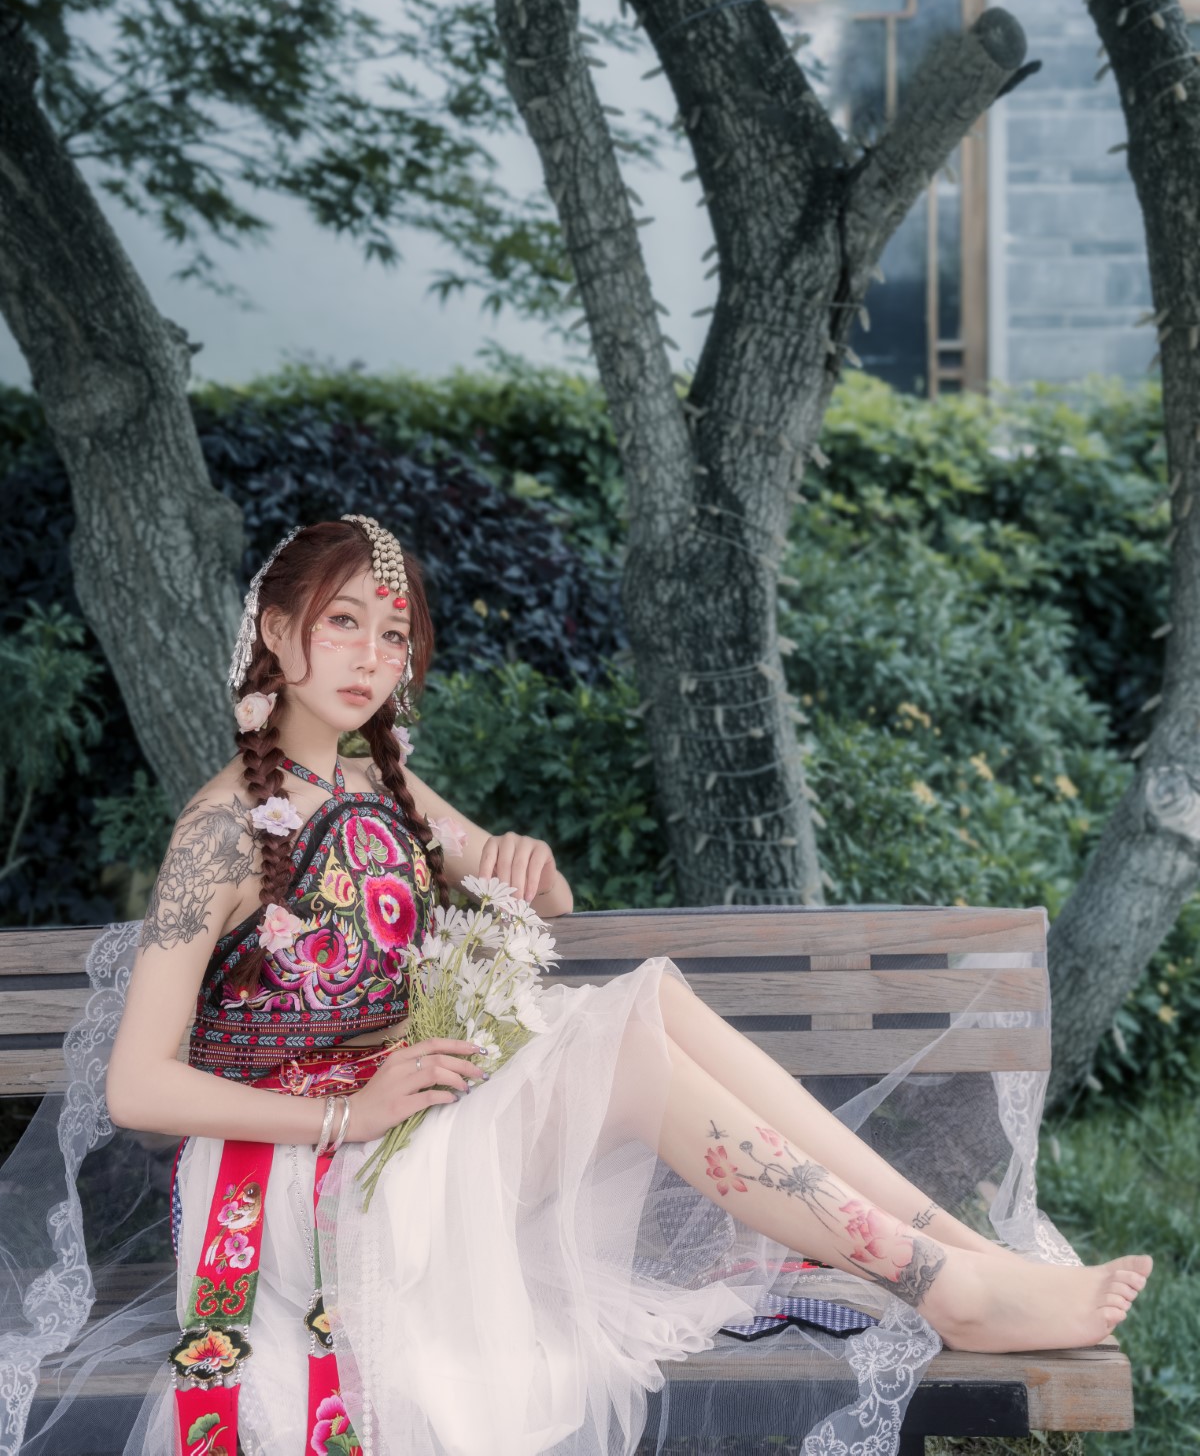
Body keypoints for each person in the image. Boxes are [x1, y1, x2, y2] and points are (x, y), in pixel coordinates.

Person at [19, 514, 1154, 1456]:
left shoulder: (375, 784)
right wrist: (346, 1115)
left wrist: (529, 864)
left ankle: (960, 1253)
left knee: (649, 1001)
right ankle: (942, 1280)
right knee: (634, 1052)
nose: (371, 656)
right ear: (277, 632)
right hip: (295, 1191)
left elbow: (536, 895)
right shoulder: (220, 831)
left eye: (394, 634)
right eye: (343, 623)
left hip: (396, 1132)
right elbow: (137, 1087)